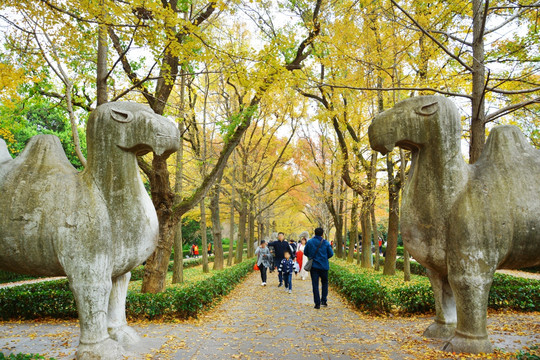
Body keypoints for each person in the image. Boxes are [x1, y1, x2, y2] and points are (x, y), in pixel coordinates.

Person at [304, 227, 333, 309]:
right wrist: (324, 257)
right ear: (322, 234)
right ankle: (324, 301)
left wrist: (312, 257)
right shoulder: (326, 243)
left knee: (315, 284)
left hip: (314, 266)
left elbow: (305, 252)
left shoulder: (310, 242)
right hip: (324, 266)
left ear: (315, 233)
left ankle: (317, 303)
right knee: (325, 283)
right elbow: (331, 254)